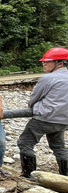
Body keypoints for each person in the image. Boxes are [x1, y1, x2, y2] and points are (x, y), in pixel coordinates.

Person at [17, 47, 68, 177]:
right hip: (63, 121)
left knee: (25, 143)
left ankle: (28, 175)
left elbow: (34, 98)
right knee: (59, 147)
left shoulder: (48, 78)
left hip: (44, 118)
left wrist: (33, 108)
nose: (43, 64)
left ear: (60, 63)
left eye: (47, 61)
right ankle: (65, 176)